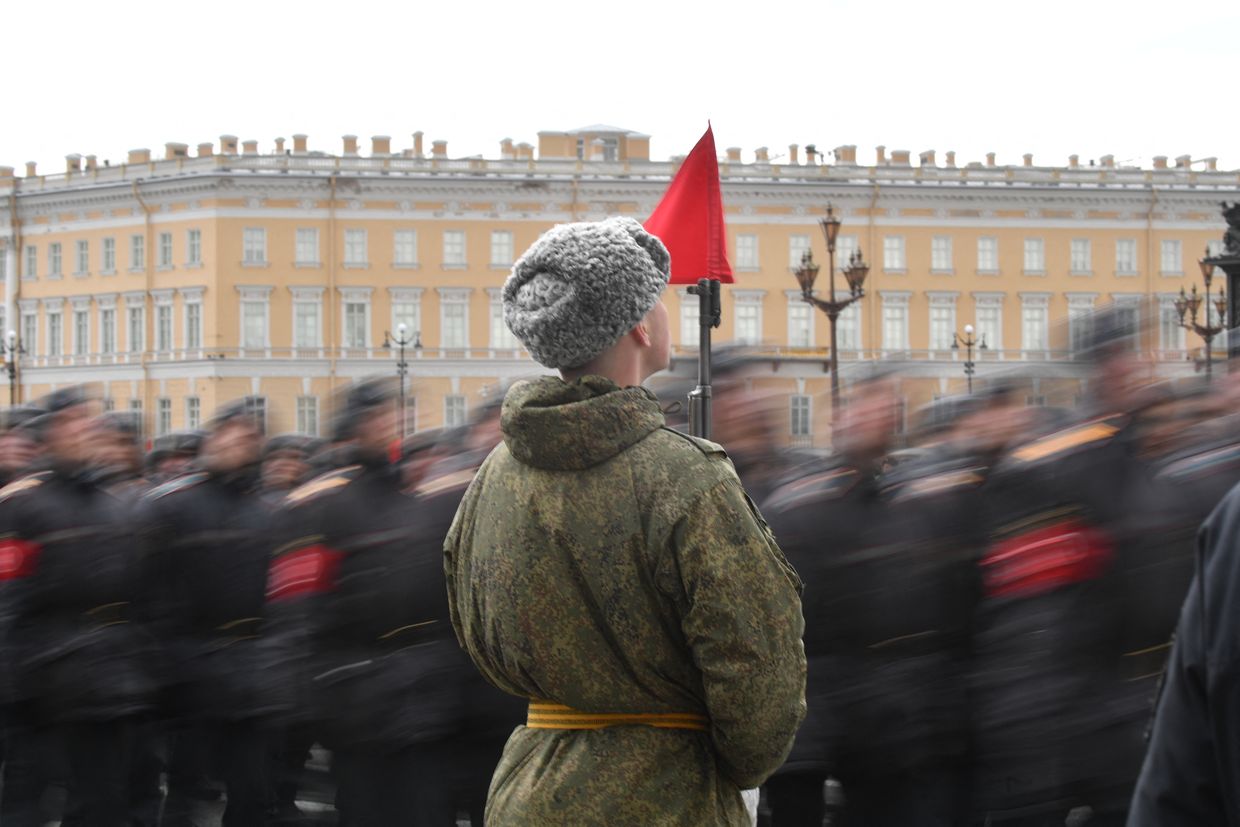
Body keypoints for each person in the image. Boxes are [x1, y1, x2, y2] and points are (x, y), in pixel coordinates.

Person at [444, 217, 806, 826]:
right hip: (666, 795)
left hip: (529, 790)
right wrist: (737, 769)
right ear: (638, 322)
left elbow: (476, 631)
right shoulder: (686, 476)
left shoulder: (490, 479)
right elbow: (758, 663)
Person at [265, 378, 472, 826]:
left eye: (397, 413)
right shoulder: (320, 505)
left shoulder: (414, 499)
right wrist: (325, 696)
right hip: (358, 704)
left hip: (422, 702)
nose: (394, 422)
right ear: (355, 427)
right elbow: (296, 615)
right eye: (380, 415)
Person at [0, 387, 156, 827]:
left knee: (102, 802)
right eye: (71, 421)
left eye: (89, 419)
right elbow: (7, 601)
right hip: (40, 684)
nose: (84, 429)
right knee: (27, 800)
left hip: (104, 684)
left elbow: (136, 596)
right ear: (48, 435)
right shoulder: (20, 504)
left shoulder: (113, 507)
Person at [137, 398, 273, 827]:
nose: (239, 442)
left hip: (250, 673)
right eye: (231, 432)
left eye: (249, 435)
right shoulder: (172, 505)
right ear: (213, 439)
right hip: (191, 673)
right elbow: (148, 591)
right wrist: (171, 665)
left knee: (253, 791)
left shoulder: (265, 511)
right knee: (185, 790)